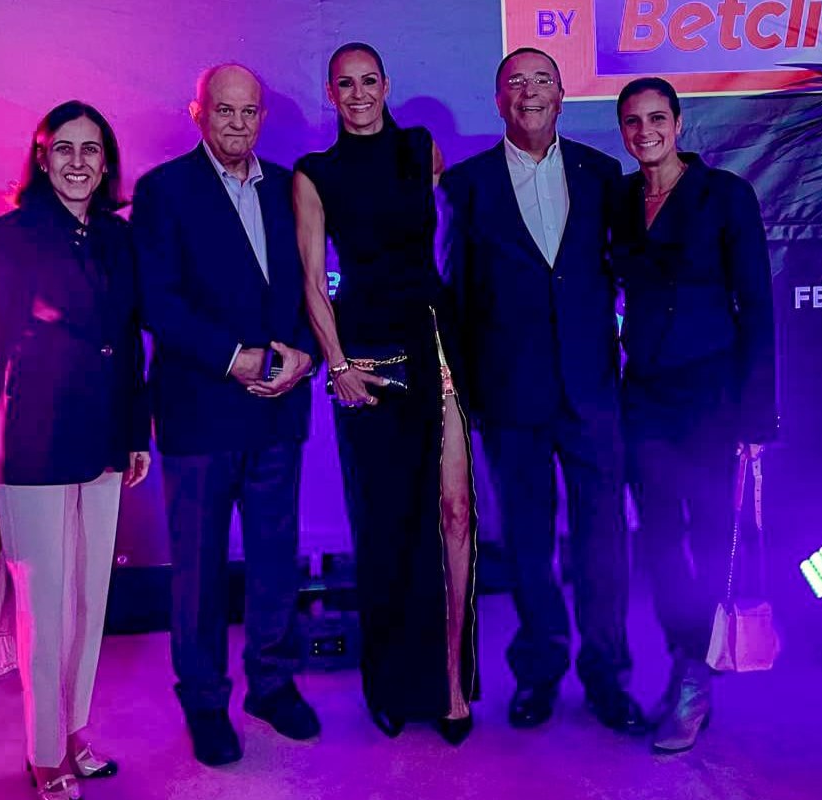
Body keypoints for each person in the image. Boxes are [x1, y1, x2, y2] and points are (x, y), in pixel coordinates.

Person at [440, 47, 645, 734]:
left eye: (541, 80)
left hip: (592, 393)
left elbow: (624, 273)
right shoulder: (466, 184)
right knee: (528, 545)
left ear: (561, 94)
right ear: (499, 98)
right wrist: (467, 396)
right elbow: (458, 295)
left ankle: (608, 675)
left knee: (604, 542)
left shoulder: (602, 174)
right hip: (511, 399)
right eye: (515, 82)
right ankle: (540, 671)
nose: (528, 92)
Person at [0, 100, 149, 800]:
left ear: (106, 161)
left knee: (89, 600)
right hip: (29, 446)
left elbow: (128, 342)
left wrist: (135, 434)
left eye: (91, 149)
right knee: (44, 606)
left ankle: (74, 732)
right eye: (63, 148)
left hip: (104, 440)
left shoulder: (118, 237)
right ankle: (44, 753)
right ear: (42, 157)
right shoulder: (7, 237)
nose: (78, 162)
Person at [132, 64, 319, 767]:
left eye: (249, 112)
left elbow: (311, 283)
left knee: (275, 559)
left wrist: (305, 353)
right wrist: (232, 357)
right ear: (198, 113)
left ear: (262, 117)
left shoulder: (289, 186)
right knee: (200, 570)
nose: (238, 124)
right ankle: (205, 701)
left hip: (278, 408)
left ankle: (271, 684)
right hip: (201, 410)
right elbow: (157, 301)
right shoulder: (163, 190)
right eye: (224, 111)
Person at [293, 42, 477, 746]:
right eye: (346, 84)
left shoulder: (421, 148)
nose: (360, 93)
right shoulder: (316, 173)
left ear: (386, 84)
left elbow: (448, 238)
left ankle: (452, 686)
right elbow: (315, 281)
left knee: (453, 512)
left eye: (369, 81)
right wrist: (337, 365)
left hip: (434, 338)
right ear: (331, 93)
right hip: (368, 353)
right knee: (385, 520)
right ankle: (392, 683)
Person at [611, 76, 776, 753]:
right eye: (632, 121)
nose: (645, 131)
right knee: (657, 537)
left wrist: (757, 419)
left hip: (713, 397)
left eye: (657, 118)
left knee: (711, 534)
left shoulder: (725, 196)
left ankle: (695, 678)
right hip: (646, 395)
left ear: (679, 124)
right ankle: (685, 655)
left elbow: (757, 308)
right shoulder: (621, 200)